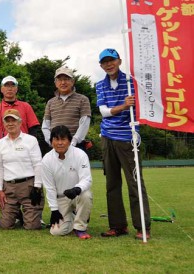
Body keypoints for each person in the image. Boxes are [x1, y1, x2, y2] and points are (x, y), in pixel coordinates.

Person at [96, 48, 151, 239]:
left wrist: (131, 105)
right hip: (107, 137)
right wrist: (124, 106)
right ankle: (118, 226)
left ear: (119, 61)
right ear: (101, 65)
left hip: (128, 138)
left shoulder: (131, 82)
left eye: (112, 60)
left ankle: (142, 226)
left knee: (135, 183)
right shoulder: (100, 85)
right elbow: (103, 111)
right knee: (112, 184)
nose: (109, 64)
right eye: (105, 62)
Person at [40, 126, 93, 239]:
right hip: (60, 199)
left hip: (77, 195)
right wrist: (54, 210)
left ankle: (80, 228)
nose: (60, 143)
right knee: (56, 232)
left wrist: (77, 189)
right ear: (51, 141)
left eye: (63, 139)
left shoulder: (80, 154)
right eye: (56, 139)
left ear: (69, 140)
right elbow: (49, 188)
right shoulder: (46, 160)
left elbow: (87, 179)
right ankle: (74, 216)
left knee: (86, 195)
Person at [0, 109, 43, 230]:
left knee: (32, 226)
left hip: (29, 186)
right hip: (9, 188)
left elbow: (38, 164)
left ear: (20, 122)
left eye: (13, 120)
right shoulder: (0, 143)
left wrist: (37, 186)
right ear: (4, 124)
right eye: (7, 121)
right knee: (5, 225)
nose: (10, 124)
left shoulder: (31, 140)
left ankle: (29, 214)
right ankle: (19, 214)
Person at [42, 67, 92, 151]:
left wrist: (73, 142)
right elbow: (45, 125)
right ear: (55, 83)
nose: (63, 82)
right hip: (55, 147)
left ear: (72, 81)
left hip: (76, 146)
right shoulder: (50, 102)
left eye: (66, 79)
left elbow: (85, 122)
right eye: (59, 80)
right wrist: (51, 142)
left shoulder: (83, 99)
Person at [0, 76, 41, 153]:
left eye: (12, 85)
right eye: (7, 85)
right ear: (2, 89)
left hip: (24, 148)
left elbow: (33, 128)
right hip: (4, 149)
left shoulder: (26, 106)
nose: (10, 88)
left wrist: (30, 144)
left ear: (16, 89)